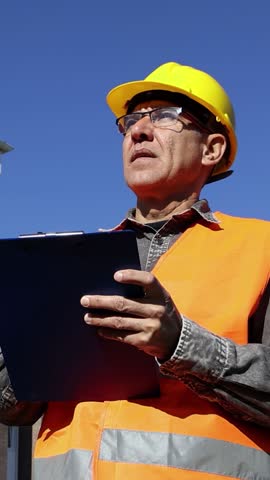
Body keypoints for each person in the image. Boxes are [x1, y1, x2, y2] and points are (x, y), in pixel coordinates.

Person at [1, 61, 270, 479]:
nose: (138, 131)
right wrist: (16, 347)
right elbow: (13, 410)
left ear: (212, 148)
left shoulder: (260, 248)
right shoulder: (69, 262)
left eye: (165, 116)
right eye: (131, 121)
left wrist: (181, 344)